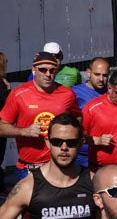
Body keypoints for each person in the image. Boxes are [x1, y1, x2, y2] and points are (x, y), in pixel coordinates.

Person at [0, 50, 79, 179]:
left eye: (52, 70)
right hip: (31, 168)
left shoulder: (67, 94)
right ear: (34, 70)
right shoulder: (19, 94)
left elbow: (77, 117)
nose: (48, 74)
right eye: (42, 70)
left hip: (61, 167)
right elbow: (1, 127)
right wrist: (24, 131)